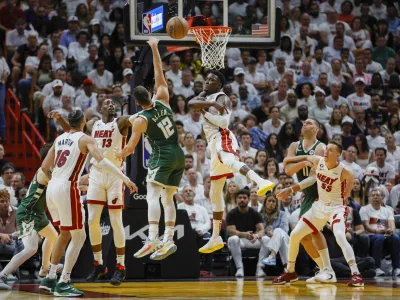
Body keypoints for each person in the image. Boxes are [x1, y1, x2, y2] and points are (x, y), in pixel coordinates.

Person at [39, 110, 137, 297]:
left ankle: (50, 278)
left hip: (52, 186)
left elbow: (44, 167)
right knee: (79, 237)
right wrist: (126, 178)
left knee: (64, 234)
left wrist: (60, 119)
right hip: (70, 186)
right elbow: (102, 161)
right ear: (85, 121)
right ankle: (64, 281)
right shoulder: (87, 137)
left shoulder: (60, 138)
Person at [188, 70, 274, 254]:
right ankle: (216, 236)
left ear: (219, 85)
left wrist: (206, 109)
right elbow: (191, 103)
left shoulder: (222, 97)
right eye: (207, 78)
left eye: (212, 79)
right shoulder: (210, 98)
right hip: (213, 142)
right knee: (215, 192)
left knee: (228, 159)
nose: (208, 80)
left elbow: (223, 122)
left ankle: (260, 181)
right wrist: (207, 103)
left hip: (222, 136)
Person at [115, 37, 185, 260]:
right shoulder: (163, 97)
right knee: (168, 199)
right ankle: (169, 239)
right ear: (151, 93)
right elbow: (159, 72)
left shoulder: (140, 120)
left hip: (162, 154)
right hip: (178, 154)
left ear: (136, 102)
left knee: (152, 196)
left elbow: (130, 148)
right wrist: (155, 47)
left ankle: (153, 237)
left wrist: (119, 154)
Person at [275, 141, 364, 287]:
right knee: (295, 235)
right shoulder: (318, 160)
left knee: (340, 236)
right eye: (326, 149)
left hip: (336, 208)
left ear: (338, 155)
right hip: (319, 207)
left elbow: (347, 194)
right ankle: (290, 272)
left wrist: (338, 203)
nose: (326, 152)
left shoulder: (346, 171)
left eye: (330, 150)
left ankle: (356, 274)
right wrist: (288, 159)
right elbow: (305, 157)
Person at [273, 119, 330, 284]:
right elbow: (288, 169)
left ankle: (321, 269)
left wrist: (296, 166)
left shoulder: (322, 148)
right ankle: (324, 269)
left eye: (310, 123)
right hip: (307, 194)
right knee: (304, 238)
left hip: (320, 193)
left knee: (312, 231)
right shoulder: (293, 146)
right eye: (304, 123)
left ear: (317, 129)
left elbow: (314, 177)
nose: (305, 123)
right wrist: (305, 162)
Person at [0, 144, 58, 290]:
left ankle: (45, 269)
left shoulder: (52, 170)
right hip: (28, 211)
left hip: (38, 212)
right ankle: (2, 275)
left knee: (53, 236)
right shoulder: (45, 170)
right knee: (31, 248)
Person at [226, 189, 269, 277]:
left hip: (252, 240)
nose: (242, 200)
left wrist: (256, 235)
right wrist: (244, 234)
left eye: (244, 198)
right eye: (240, 198)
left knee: (266, 239)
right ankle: (239, 268)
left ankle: (260, 268)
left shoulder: (255, 213)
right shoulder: (231, 213)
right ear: (236, 200)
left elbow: (262, 230)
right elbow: (231, 232)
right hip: (239, 241)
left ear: (249, 199)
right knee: (233, 238)